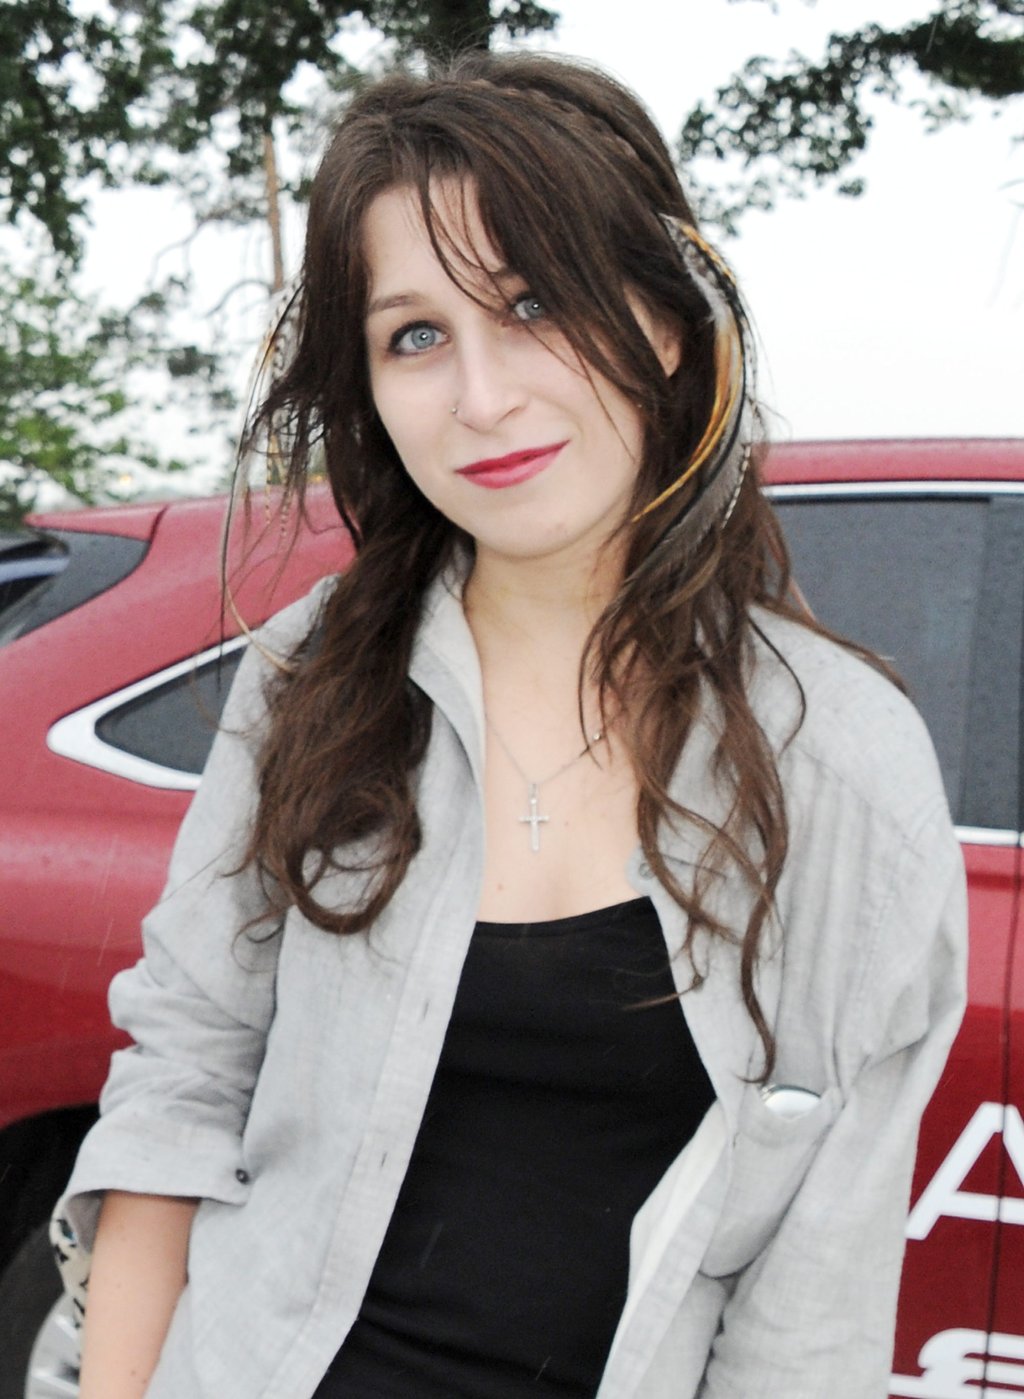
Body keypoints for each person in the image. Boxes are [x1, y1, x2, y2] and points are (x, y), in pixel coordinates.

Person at [57, 50, 966, 1399]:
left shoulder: (841, 760)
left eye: (533, 304)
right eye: (415, 336)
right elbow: (181, 1091)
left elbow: (811, 1318)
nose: (482, 398)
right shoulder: (314, 673)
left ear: (663, 322)